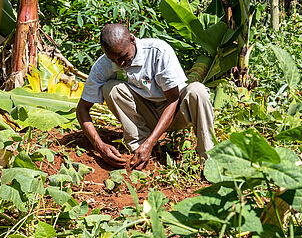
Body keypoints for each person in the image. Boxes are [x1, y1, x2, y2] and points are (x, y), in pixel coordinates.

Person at [76, 23, 215, 170]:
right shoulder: (102, 65)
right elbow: (82, 109)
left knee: (197, 91)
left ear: (132, 40)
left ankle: (208, 160)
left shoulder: (158, 52)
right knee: (111, 88)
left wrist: (151, 142)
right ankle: (139, 149)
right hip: (146, 113)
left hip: (177, 112)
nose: (120, 63)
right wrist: (100, 146)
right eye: (114, 59)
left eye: (124, 56)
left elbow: (173, 99)